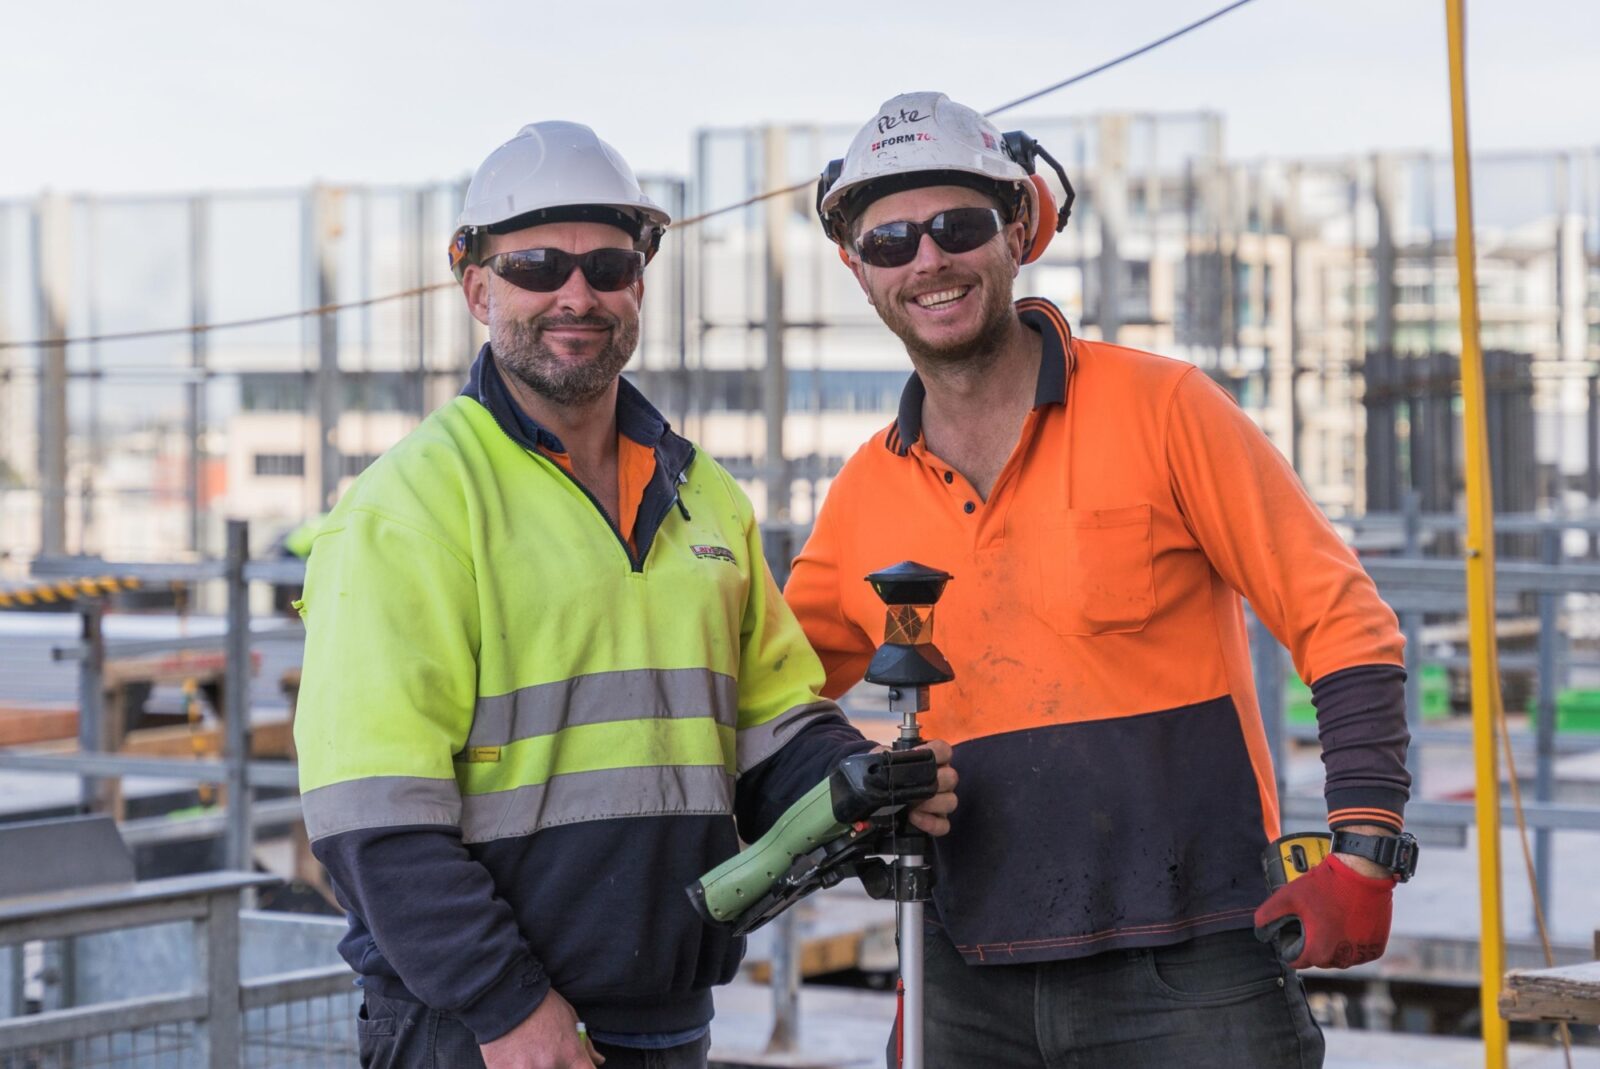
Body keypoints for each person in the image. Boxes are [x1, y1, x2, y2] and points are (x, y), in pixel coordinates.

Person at [291, 121, 957, 1069]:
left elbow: (768, 727)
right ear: (477, 286)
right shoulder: (414, 507)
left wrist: (854, 783)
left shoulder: (703, 496)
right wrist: (508, 1006)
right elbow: (374, 817)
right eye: (535, 265)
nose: (577, 293)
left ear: (640, 284)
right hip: (482, 1032)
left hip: (665, 1015)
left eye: (608, 264)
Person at [783, 92, 1414, 1069]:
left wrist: (1364, 846)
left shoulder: (1163, 409)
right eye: (891, 241)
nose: (928, 261)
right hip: (964, 972)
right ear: (855, 268)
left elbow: (1340, 618)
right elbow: (779, 692)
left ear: (1019, 227)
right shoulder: (867, 488)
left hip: (1196, 966)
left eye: (958, 226)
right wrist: (857, 785)